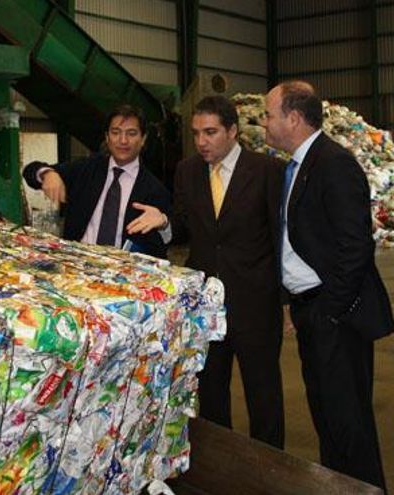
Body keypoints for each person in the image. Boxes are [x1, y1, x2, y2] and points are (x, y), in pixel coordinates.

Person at [263, 80, 394, 489]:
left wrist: (329, 311)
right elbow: (292, 237)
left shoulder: (333, 163)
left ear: (294, 118)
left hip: (335, 314)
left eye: (269, 115)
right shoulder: (299, 165)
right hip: (310, 309)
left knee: (349, 424)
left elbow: (355, 248)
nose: (264, 123)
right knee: (327, 419)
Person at [135, 95, 286, 448]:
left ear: (232, 131)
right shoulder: (187, 171)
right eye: (196, 133)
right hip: (206, 307)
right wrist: (165, 222)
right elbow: (187, 227)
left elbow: (281, 239)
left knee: (263, 396)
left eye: (210, 132)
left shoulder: (268, 171)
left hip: (255, 303)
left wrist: (285, 298)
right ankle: (223, 465)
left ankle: (270, 468)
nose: (201, 141)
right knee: (211, 393)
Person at [22, 104, 171, 258]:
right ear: (107, 137)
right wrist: (48, 173)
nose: (123, 140)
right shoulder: (87, 169)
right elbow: (30, 172)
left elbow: (163, 247)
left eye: (131, 133)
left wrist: (164, 224)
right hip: (75, 263)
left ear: (143, 139)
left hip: (122, 270)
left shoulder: (155, 190)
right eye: (115, 132)